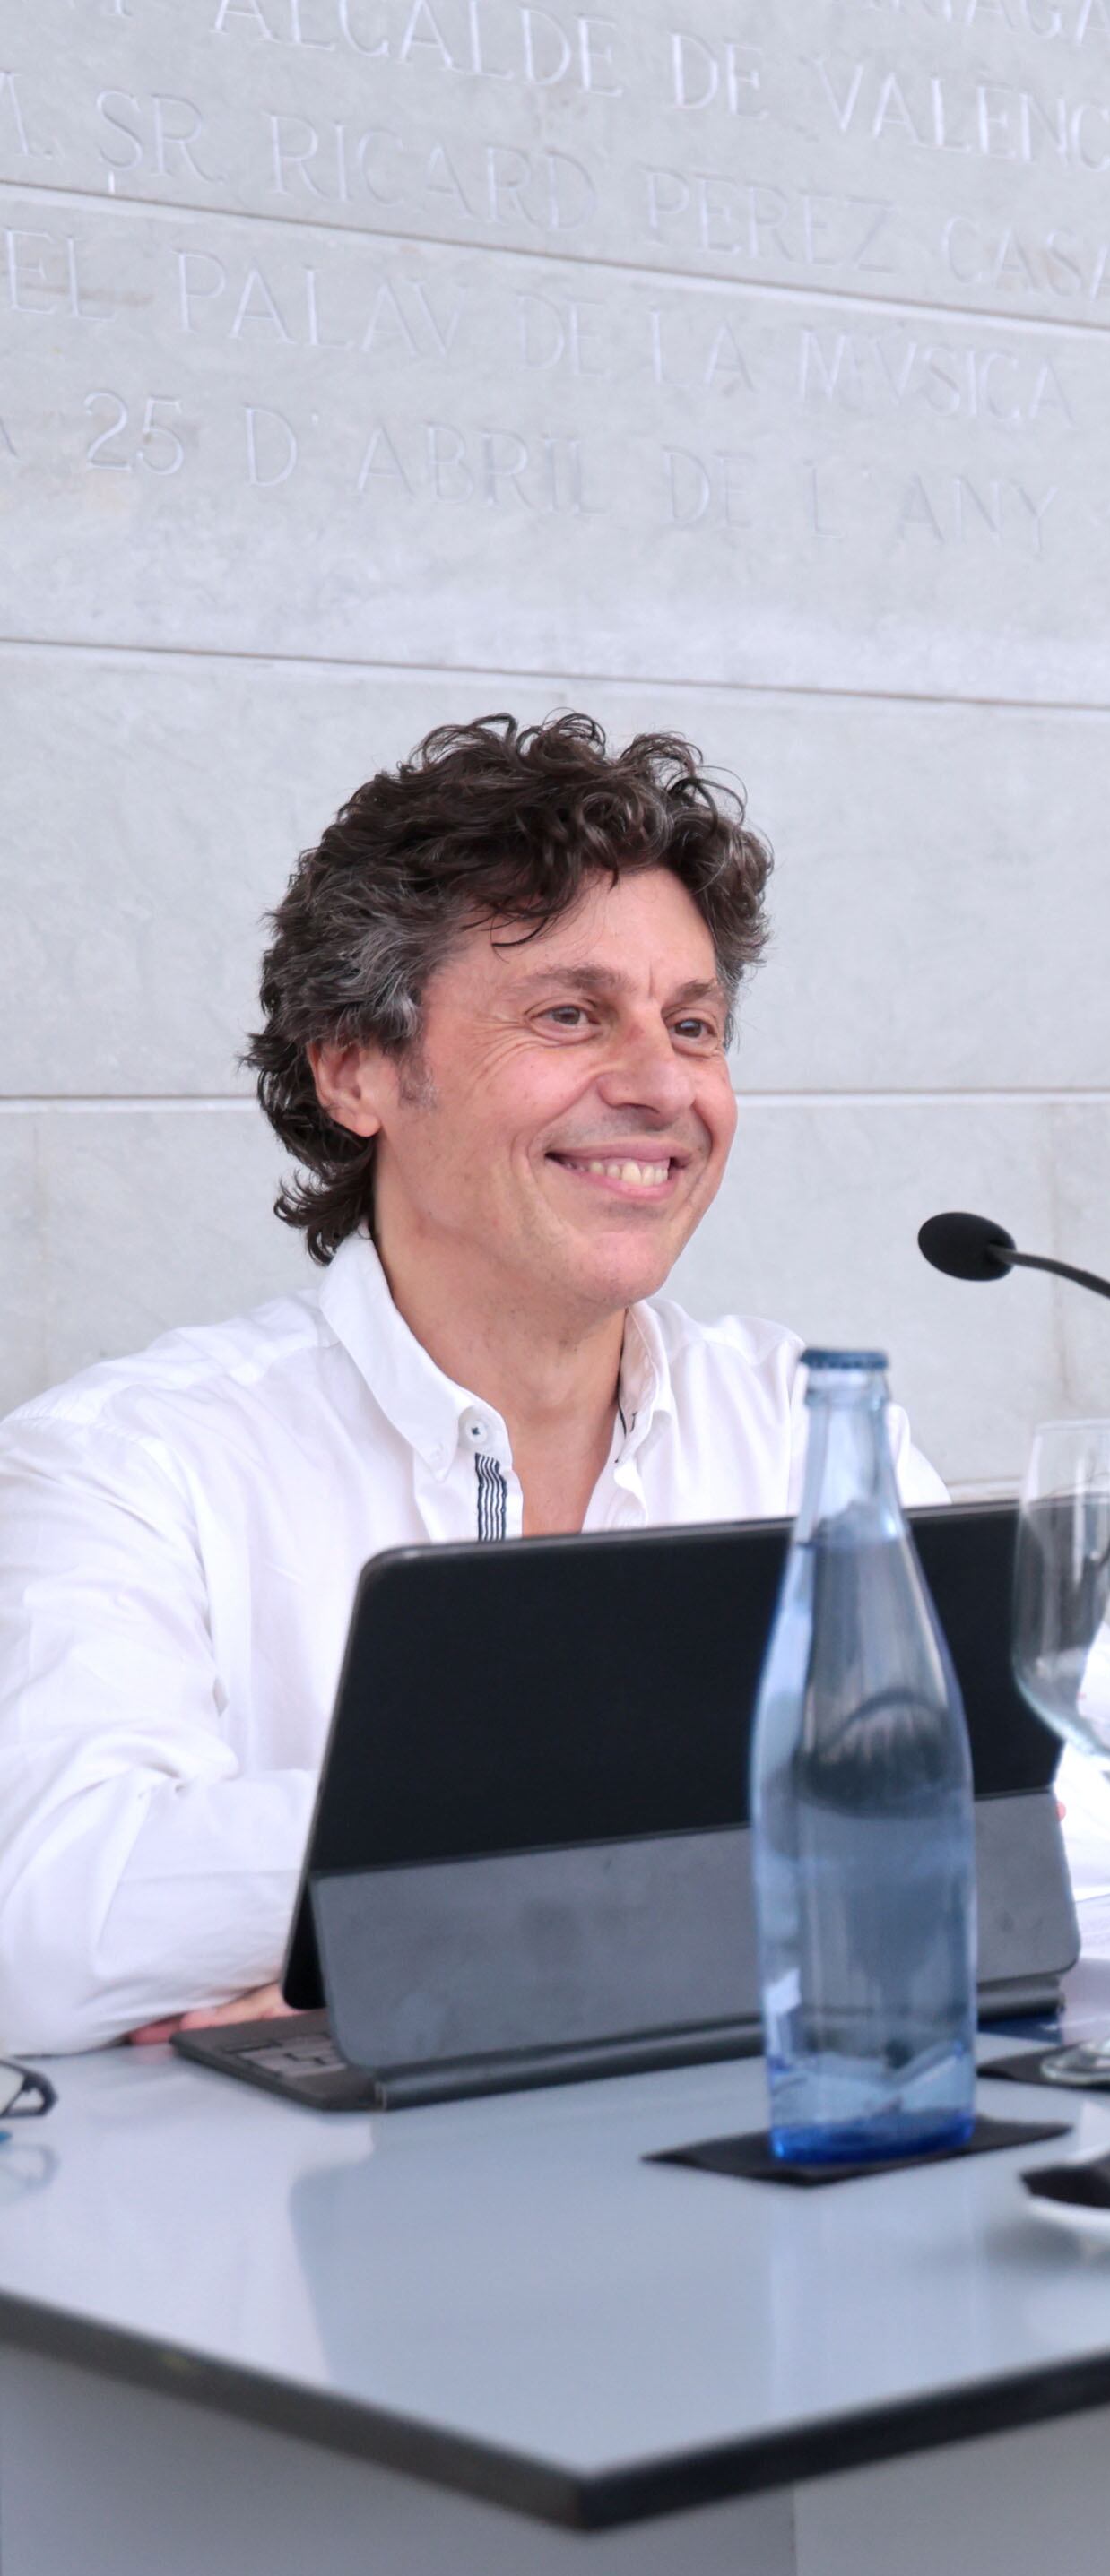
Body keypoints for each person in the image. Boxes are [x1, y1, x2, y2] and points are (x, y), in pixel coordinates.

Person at [0, 716, 937, 2054]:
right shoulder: (125, 1461)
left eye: (695, 1023)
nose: (663, 1083)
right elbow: (51, 1931)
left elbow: (1057, 1814)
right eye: (571, 1014)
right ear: (356, 1068)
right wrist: (698, 1833)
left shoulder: (808, 1421)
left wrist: (424, 1937)